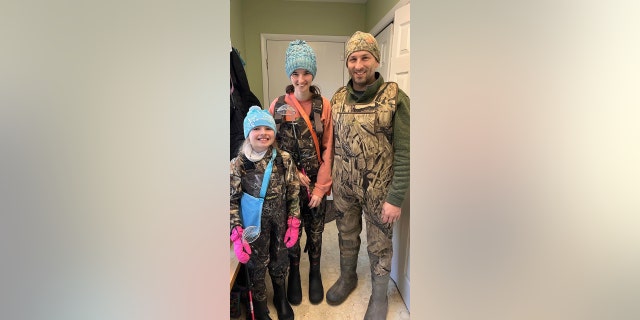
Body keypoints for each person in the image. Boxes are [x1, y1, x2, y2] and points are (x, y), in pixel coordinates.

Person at [325, 31, 410, 320]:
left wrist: (396, 198)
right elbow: (330, 145)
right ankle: (348, 277)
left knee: (379, 244)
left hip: (379, 190)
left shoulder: (396, 98)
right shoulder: (336, 98)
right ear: (347, 63)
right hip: (344, 188)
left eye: (365, 57)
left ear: (376, 60)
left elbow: (406, 152)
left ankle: (379, 295)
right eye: (353, 58)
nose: (358, 65)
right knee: (346, 234)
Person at [268, 40, 334, 305]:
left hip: (316, 184)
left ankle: (314, 272)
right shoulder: (277, 106)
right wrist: (292, 173)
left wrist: (320, 188)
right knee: (291, 230)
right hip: (288, 185)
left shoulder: (323, 106)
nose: (301, 79)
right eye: (295, 73)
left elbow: (329, 149)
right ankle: (294, 272)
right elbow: (269, 146)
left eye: (306, 73)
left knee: (315, 230)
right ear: (289, 75)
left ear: (313, 74)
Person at [230, 106, 302, 320]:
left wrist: (293, 221)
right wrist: (236, 233)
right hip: (253, 226)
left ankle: (280, 296)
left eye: (267, 128)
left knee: (280, 257)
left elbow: (294, 193)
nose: (263, 133)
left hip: (280, 222)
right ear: (248, 134)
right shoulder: (238, 164)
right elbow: (231, 200)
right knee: (257, 263)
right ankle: (260, 304)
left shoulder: (284, 159)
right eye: (256, 129)